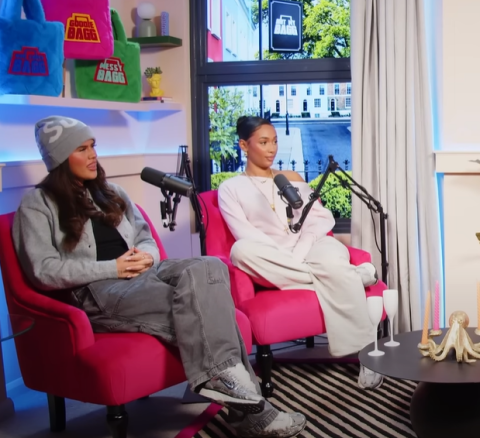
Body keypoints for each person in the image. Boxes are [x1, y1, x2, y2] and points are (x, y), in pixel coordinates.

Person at [13, 116, 306, 438]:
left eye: (93, 146)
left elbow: (146, 237)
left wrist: (147, 256)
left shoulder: (112, 192)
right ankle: (254, 413)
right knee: (209, 313)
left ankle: (227, 387)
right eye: (82, 149)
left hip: (145, 271)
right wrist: (113, 268)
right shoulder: (37, 204)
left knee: (209, 266)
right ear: (60, 159)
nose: (93, 155)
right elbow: (44, 271)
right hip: (99, 289)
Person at [218, 116, 383, 389]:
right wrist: (286, 254)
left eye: (274, 142)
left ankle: (367, 356)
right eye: (263, 142)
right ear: (244, 146)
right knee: (240, 251)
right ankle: (354, 276)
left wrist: (301, 249)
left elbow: (317, 220)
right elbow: (244, 233)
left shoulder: (290, 178)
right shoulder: (231, 188)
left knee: (332, 255)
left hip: (312, 245)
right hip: (271, 256)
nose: (272, 149)